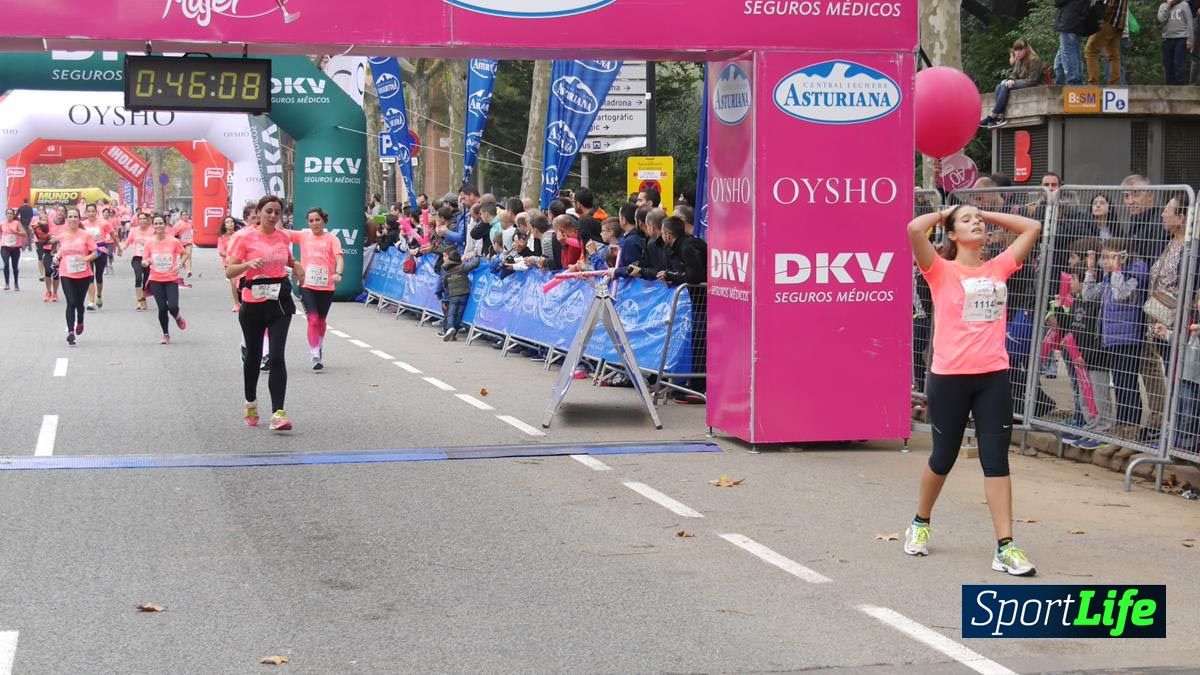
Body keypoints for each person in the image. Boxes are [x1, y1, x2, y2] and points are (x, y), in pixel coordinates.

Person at [904, 202, 1042, 576]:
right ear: (952, 234)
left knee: (996, 460)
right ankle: (920, 522)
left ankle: (1005, 546)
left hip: (992, 376)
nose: (976, 223)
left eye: (978, 220)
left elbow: (1031, 227)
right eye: (967, 221)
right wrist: (947, 211)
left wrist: (986, 214)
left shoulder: (998, 266)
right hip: (949, 378)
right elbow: (915, 230)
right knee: (943, 457)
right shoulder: (939, 270)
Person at [225, 195, 301, 431]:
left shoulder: (283, 237)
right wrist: (248, 265)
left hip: (279, 302)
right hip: (253, 303)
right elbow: (230, 271)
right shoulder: (244, 237)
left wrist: (297, 267)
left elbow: (290, 259)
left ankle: (278, 413)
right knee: (254, 356)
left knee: (277, 356)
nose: (272, 216)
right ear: (259, 212)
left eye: (277, 212)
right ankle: (251, 402)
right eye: (268, 211)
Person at [1083, 239, 1148, 439]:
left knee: (1128, 383)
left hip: (1128, 337)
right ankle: (1121, 426)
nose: (1106, 262)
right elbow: (1088, 295)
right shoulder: (1108, 277)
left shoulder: (1136, 272)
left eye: (1109, 257)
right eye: (1103, 258)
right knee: (1119, 384)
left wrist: (1117, 269)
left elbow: (1121, 294)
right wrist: (1090, 272)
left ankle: (1131, 427)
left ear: (1122, 256)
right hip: (1110, 337)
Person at [289, 207, 344, 370]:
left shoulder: (332, 239)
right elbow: (281, 232)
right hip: (307, 285)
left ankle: (319, 345)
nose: (314, 223)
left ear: (323, 220)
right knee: (312, 319)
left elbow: (339, 258)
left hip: (326, 286)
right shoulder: (304, 236)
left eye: (317, 220)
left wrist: (338, 273)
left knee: (321, 320)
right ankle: (314, 355)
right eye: (311, 221)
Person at [53, 207, 99, 346]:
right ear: (66, 219)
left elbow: (95, 253)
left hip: (83, 273)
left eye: (75, 217)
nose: (73, 219)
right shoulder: (62, 235)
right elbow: (62, 249)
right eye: (70, 217)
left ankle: (80, 320)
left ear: (79, 219)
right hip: (66, 272)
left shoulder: (85, 235)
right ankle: (71, 332)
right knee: (71, 301)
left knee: (79, 303)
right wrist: (56, 256)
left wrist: (85, 259)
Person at [142, 216, 188, 344]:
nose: (158, 226)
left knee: (173, 306)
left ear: (165, 224)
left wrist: (180, 264)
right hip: (155, 279)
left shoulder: (173, 241)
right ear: (153, 225)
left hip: (171, 278)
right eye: (155, 224)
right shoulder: (149, 243)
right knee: (162, 308)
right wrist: (146, 262)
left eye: (160, 223)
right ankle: (166, 334)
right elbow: (144, 260)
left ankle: (177, 316)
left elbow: (184, 254)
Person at [980, 39, 1045, 129]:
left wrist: (1013, 82)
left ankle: (993, 116)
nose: (1017, 53)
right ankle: (1000, 117)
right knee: (999, 86)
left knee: (1005, 85)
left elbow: (1032, 80)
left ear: (1026, 49)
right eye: (1016, 50)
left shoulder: (1034, 60)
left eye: (1020, 50)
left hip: (1034, 84)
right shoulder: (1019, 60)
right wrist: (1010, 79)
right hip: (1024, 83)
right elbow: (1014, 74)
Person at [439, 249, 482, 342]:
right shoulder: (462, 267)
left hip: (453, 295)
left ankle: (450, 327)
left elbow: (444, 283)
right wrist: (478, 257)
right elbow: (473, 265)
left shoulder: (447, 271)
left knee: (451, 313)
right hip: (464, 294)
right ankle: (454, 333)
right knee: (459, 314)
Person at [81, 203, 117, 310]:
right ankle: (91, 301)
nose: (91, 213)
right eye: (89, 211)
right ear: (86, 212)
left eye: (93, 211)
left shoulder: (103, 223)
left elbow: (113, 236)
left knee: (99, 276)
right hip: (88, 252)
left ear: (96, 212)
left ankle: (99, 295)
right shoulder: (83, 224)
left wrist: (119, 247)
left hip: (101, 251)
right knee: (89, 276)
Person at [1086, 0, 1130, 85]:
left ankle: (1093, 84)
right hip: (1119, 23)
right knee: (1113, 55)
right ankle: (1114, 85)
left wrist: (1100, 17)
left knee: (1091, 50)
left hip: (1109, 20)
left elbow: (1110, 4)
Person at [120, 212, 155, 311]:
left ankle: (144, 299)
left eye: (144, 218)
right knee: (138, 277)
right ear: (138, 220)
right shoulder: (134, 231)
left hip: (148, 259)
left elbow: (156, 244)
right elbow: (128, 242)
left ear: (148, 220)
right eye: (140, 219)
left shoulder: (152, 231)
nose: (142, 220)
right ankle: (139, 300)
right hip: (137, 258)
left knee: (146, 281)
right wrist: (122, 250)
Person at [1055, 0, 1091, 85]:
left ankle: (1074, 81)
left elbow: (1058, 2)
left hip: (1069, 20)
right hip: (1077, 20)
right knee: (1072, 52)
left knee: (1068, 52)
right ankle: (1062, 82)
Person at [1159, 0, 1195, 84]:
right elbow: (1161, 19)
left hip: (1181, 38)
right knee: (1168, 66)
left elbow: (1189, 23)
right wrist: (1168, 5)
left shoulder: (1184, 5)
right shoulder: (1163, 6)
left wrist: (1190, 40)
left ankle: (1180, 90)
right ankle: (1170, 89)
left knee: (1179, 65)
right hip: (1167, 38)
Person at [217, 216, 241, 312]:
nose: (230, 223)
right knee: (234, 283)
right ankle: (236, 303)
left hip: (241, 262)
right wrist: (231, 255)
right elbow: (221, 251)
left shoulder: (239, 235)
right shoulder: (222, 237)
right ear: (224, 225)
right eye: (227, 222)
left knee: (242, 283)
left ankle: (243, 299)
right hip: (229, 263)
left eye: (231, 221)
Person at [32, 213, 57, 302]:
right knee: (48, 271)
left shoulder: (59, 224)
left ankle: (55, 292)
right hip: (47, 249)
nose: (44, 220)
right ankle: (48, 291)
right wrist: (40, 223)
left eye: (46, 218)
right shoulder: (43, 225)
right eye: (42, 218)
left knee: (56, 273)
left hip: (58, 250)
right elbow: (35, 227)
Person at [2, 208, 25, 291]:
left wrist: (16, 232)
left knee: (15, 266)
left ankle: (16, 283)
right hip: (5, 247)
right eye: (8, 213)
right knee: (6, 264)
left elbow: (24, 234)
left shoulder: (17, 223)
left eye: (11, 213)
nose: (9, 215)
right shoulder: (2, 224)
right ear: (6, 215)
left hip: (15, 247)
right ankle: (7, 283)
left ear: (13, 214)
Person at [173, 210, 195, 278]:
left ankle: (189, 271)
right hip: (181, 242)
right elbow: (174, 232)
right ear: (181, 216)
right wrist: (178, 230)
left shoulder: (190, 222)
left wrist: (194, 230)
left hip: (189, 241)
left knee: (189, 255)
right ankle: (181, 264)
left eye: (186, 214)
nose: (185, 216)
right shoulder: (178, 223)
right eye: (184, 215)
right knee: (183, 256)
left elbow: (192, 228)